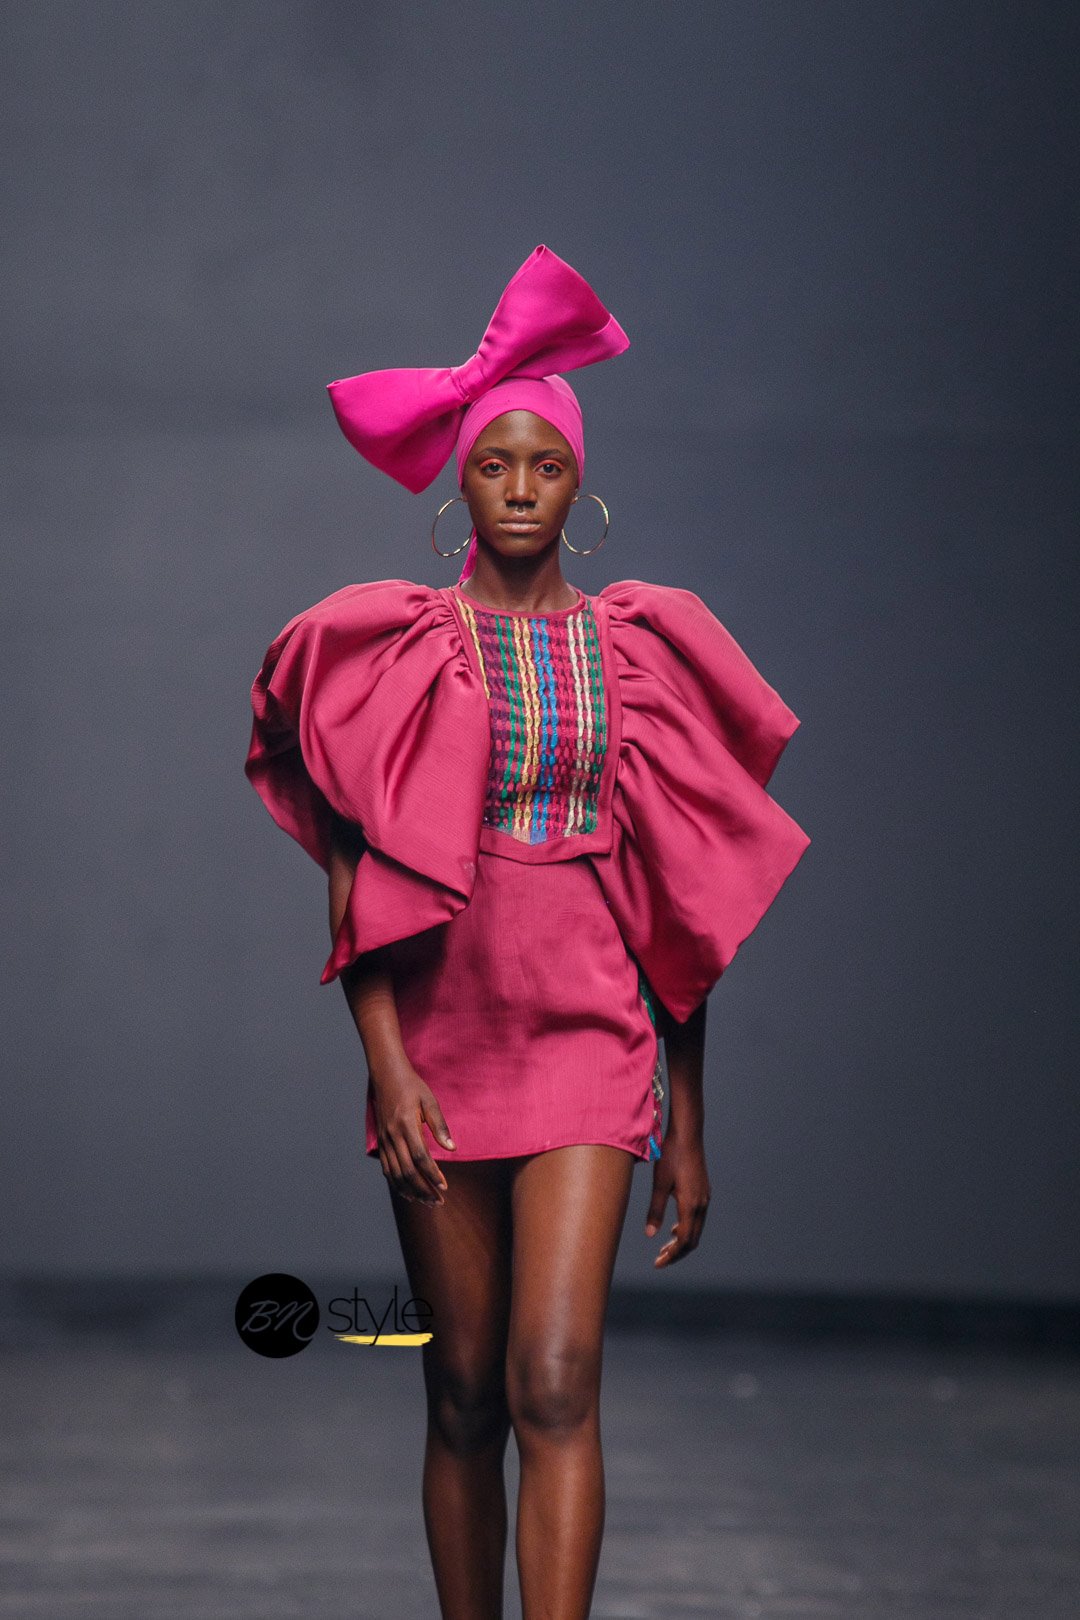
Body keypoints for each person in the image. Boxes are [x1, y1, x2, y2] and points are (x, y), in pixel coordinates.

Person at [244, 244, 810, 1619]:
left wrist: (686, 1114)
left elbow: (677, 893)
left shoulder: (639, 650)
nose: (516, 488)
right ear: (461, 483)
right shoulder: (394, 647)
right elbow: (354, 871)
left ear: (578, 489)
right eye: (493, 465)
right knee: (461, 1388)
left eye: (543, 467)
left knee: (555, 1380)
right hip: (440, 1044)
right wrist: (386, 1065)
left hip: (593, 1038)